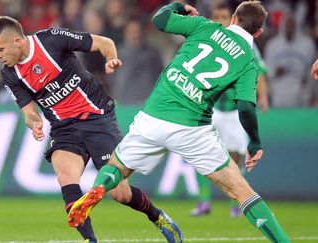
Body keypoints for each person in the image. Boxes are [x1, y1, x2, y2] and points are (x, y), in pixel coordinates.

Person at [68, 2, 291, 242]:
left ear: (234, 18)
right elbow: (246, 106)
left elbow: (159, 20)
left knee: (117, 167)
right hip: (192, 126)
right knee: (240, 190)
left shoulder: (205, 26)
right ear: (258, 33)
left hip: (154, 115)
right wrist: (255, 142)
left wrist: (179, 6)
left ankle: (97, 189)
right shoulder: (248, 59)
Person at [0, 16, 181, 243]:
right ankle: (90, 240)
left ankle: (156, 216)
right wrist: (34, 122)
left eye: (0, 49)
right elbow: (28, 110)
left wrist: (111, 59)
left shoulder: (51, 40)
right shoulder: (9, 73)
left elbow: (104, 43)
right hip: (63, 127)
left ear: (18, 41)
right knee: (66, 177)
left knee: (121, 194)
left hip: (96, 116)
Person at [190, 3, 270, 218]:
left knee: (235, 157)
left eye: (223, 16)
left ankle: (238, 203)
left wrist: (262, 96)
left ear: (232, 18)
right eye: (215, 16)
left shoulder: (246, 44)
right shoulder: (212, 39)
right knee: (200, 153)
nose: (219, 20)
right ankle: (204, 202)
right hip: (212, 109)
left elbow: (259, 71)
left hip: (234, 111)